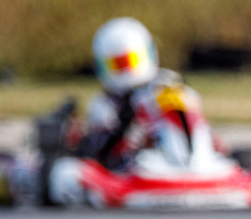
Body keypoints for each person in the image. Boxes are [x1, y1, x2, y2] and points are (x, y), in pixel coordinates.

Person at [78, 18, 202, 170]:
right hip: (132, 167)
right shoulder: (104, 105)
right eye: (118, 64)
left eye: (132, 60)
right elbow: (97, 149)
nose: (126, 71)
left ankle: (194, 158)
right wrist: (127, 125)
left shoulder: (167, 87)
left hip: (185, 161)